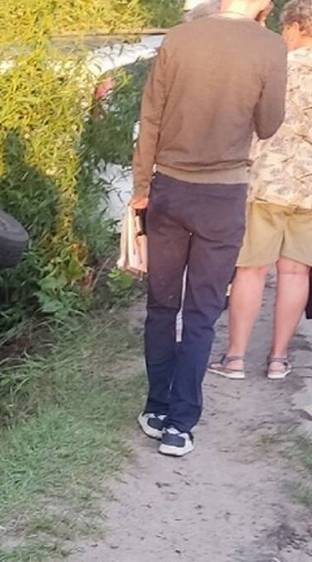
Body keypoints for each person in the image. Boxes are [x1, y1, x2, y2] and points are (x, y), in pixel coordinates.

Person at [131, 0, 287, 457]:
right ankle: (181, 425)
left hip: (169, 189)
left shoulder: (178, 38)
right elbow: (269, 123)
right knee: (201, 313)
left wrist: (141, 186)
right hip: (223, 196)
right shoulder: (270, 46)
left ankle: (156, 408)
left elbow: (150, 119)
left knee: (162, 305)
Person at [208, 0, 312, 381]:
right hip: (309, 192)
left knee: (250, 271)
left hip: (264, 183)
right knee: (296, 273)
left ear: (296, 27)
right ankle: (279, 360)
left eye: (286, 29)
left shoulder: (276, 66)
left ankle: (234, 359)